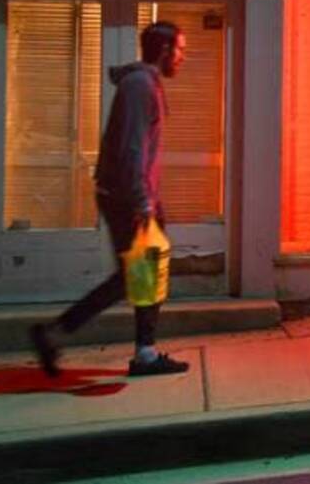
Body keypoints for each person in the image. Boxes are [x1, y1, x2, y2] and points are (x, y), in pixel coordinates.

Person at [30, 21, 189, 377]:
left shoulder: (145, 84)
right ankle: (64, 335)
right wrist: (142, 203)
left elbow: (141, 151)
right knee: (137, 274)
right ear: (163, 50)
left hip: (133, 194)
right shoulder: (139, 87)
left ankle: (132, 349)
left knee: (141, 274)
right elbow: (132, 149)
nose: (182, 57)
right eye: (179, 49)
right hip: (127, 197)